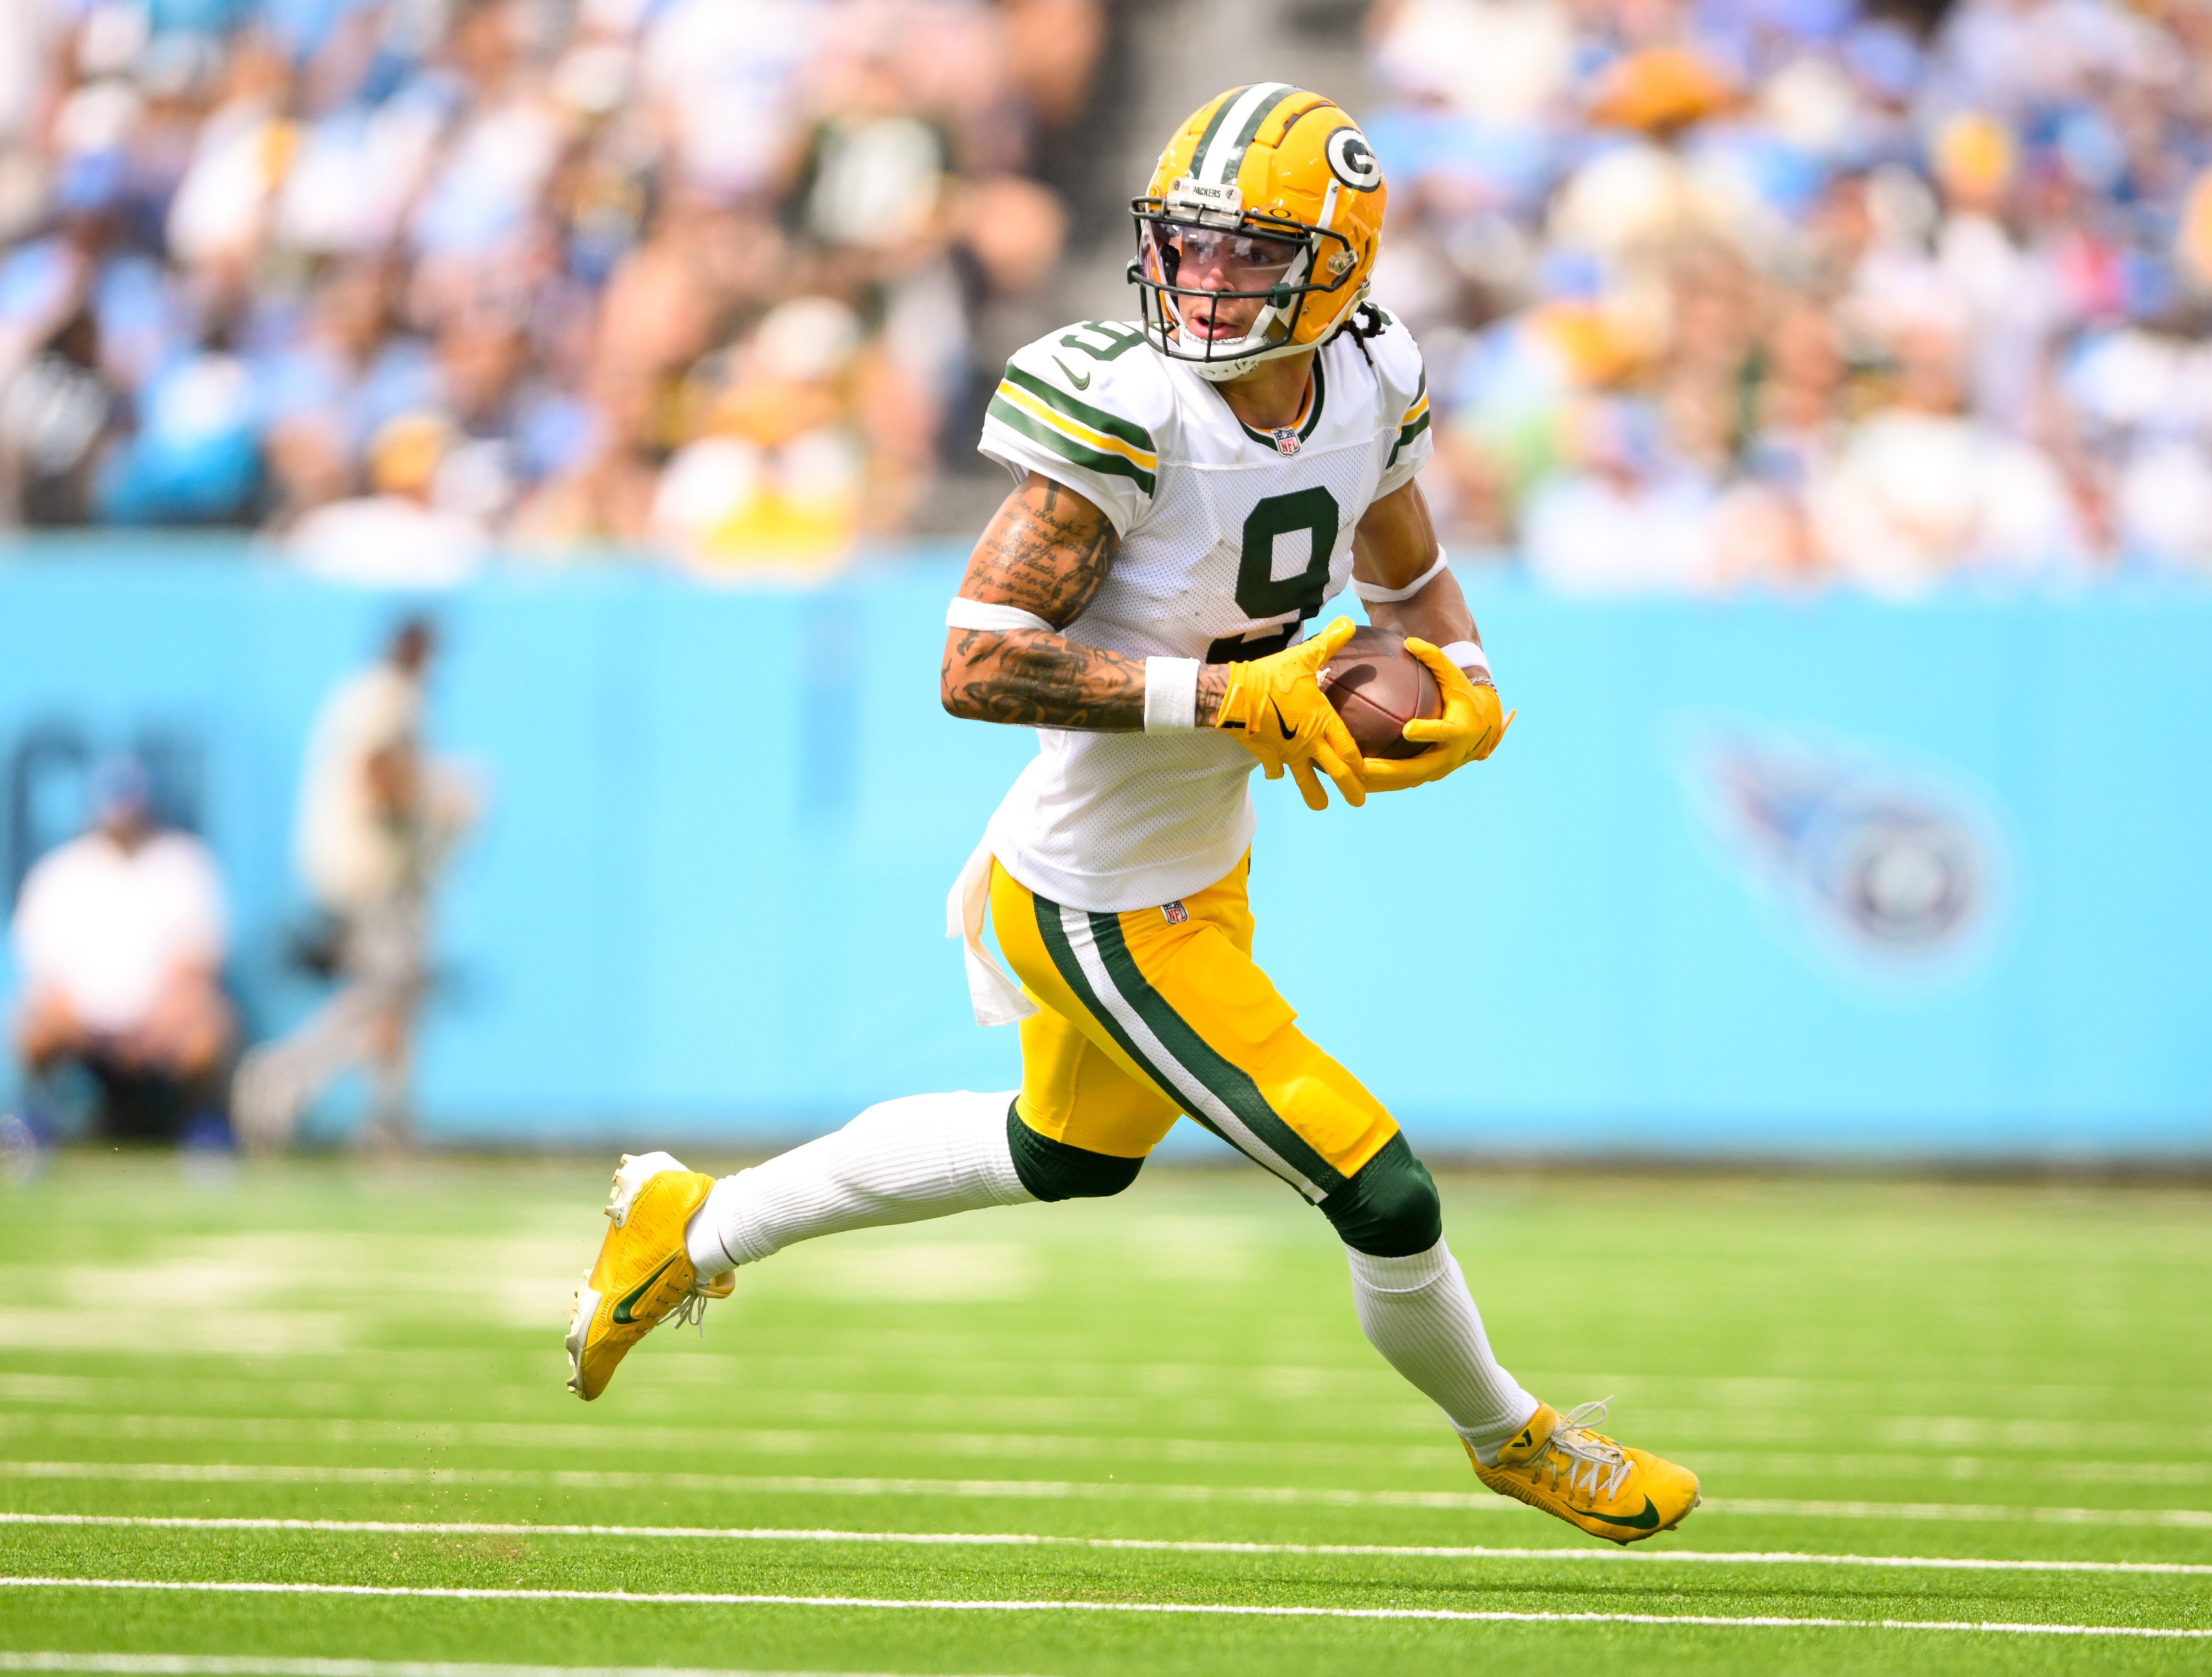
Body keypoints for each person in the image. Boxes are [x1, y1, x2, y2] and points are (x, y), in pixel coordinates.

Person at [561, 86, 1700, 1547]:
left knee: (1062, 1154)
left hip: (1190, 863)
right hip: (1096, 896)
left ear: (1340, 263)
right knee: (1382, 1184)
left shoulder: (1370, 376)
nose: (1205, 283)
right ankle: (1513, 1433)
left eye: (1247, 255)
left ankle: (693, 1223)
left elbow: (1410, 584)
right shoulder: (1127, 402)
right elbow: (974, 662)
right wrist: (1231, 701)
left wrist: (1467, 679)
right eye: (1189, 247)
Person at [233, 618, 477, 1153]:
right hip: (375, 876)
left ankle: (388, 1122)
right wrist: (442, 799)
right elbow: (378, 773)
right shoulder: (387, 698)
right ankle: (281, 1080)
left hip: (368, 873)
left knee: (397, 1000)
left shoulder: (363, 695)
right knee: (380, 1001)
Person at [9, 754, 232, 1145]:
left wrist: (155, 1024)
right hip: (85, 1025)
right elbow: (46, 976)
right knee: (31, 1026)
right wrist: (82, 1024)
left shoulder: (181, 863)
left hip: (159, 1022)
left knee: (209, 1025)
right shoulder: (61, 871)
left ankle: (202, 1128)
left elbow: (195, 967)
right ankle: (34, 1123)